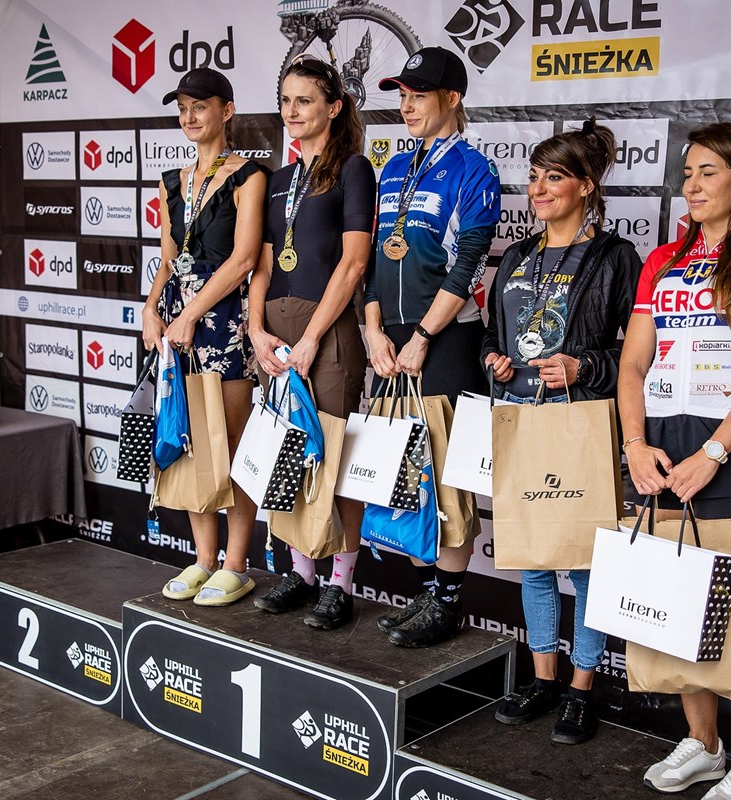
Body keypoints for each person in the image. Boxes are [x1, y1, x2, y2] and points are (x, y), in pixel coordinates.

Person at [618, 122, 731, 800]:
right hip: (662, 449)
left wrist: (715, 452)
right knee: (675, 607)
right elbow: (632, 363)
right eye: (688, 172)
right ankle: (703, 744)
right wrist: (634, 444)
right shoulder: (663, 258)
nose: (691, 186)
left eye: (708, 172)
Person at [481, 121, 642, 744]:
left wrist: (585, 365)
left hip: (581, 423)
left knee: (583, 563)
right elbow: (493, 335)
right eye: (534, 176)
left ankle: (581, 688)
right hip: (519, 420)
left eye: (554, 177)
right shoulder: (517, 256)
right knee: (532, 560)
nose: (539, 188)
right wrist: (494, 361)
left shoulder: (614, 257)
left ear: (586, 186)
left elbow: (639, 352)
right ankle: (543, 679)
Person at [364, 47, 500, 647]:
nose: (407, 106)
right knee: (401, 476)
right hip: (389, 343)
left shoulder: (475, 169)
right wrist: (372, 329)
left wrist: (422, 336)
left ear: (452, 98)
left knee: (444, 479)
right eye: (402, 96)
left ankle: (447, 601)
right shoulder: (394, 166)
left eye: (418, 96)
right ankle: (425, 594)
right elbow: (375, 257)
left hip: (445, 341)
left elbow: (468, 265)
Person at [248, 55, 374, 630]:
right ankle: (301, 573)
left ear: (334, 107)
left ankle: (340, 584)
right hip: (276, 332)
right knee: (288, 452)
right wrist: (255, 330)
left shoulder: (353, 169)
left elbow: (353, 263)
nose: (292, 111)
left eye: (304, 100)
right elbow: (263, 264)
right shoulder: (279, 180)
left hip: (327, 331)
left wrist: (313, 338)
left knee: (336, 456)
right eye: (285, 101)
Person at [142, 67, 268, 607]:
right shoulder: (172, 181)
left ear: (227, 111)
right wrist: (151, 308)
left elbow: (244, 259)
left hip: (223, 322)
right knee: (191, 439)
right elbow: (169, 258)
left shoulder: (249, 176)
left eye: (200, 106)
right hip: (177, 324)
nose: (190, 117)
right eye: (183, 109)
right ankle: (203, 559)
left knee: (232, 443)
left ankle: (236, 565)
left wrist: (191, 313)